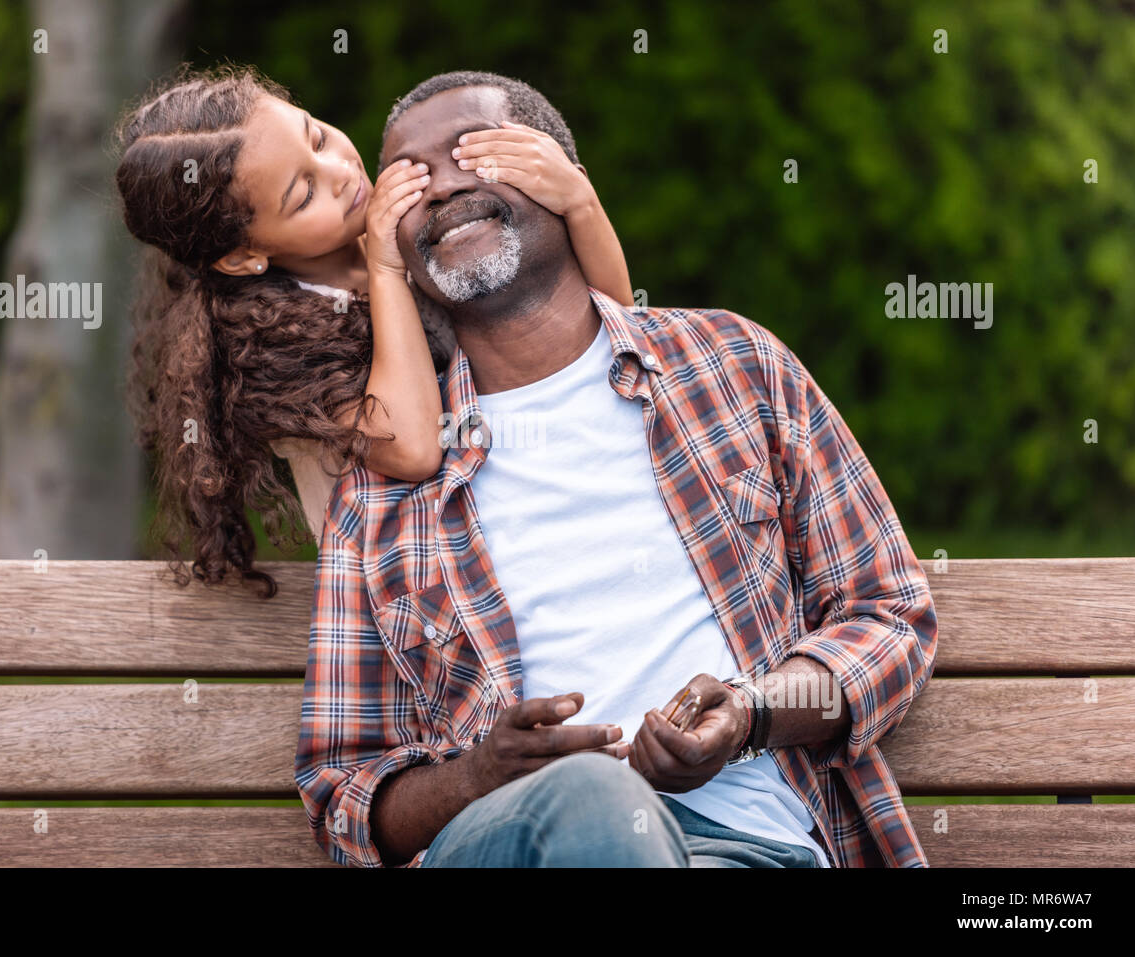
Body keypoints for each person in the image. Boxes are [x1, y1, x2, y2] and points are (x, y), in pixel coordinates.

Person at [295, 71, 939, 868]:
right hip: (506, 848)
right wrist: (474, 778)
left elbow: (889, 615)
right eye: (410, 181)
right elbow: (344, 788)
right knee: (592, 793)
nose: (443, 188)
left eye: (475, 153)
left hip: (744, 847)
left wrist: (749, 712)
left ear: (564, 180)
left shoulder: (734, 365)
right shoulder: (382, 490)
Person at [113, 64, 632, 592]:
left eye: (315, 136)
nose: (338, 170)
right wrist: (385, 270)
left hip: (526, 522)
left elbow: (608, 329)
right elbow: (413, 448)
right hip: (421, 593)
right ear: (244, 256)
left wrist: (579, 201)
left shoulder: (405, 222)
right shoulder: (263, 354)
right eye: (304, 194)